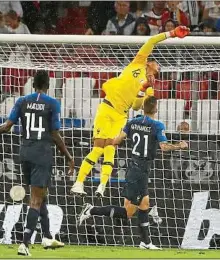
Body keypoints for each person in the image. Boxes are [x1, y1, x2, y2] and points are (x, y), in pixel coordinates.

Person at [70, 26, 190, 197]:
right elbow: (151, 41)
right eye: (157, 65)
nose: (159, 68)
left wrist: (144, 87)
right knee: (98, 147)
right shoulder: (139, 62)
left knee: (111, 147)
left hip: (121, 115)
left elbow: (135, 106)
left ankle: (101, 187)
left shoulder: (150, 90)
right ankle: (79, 183)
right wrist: (171, 34)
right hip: (107, 106)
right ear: (150, 63)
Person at [0, 70, 74, 256]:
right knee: (36, 199)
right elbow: (55, 134)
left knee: (40, 194)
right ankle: (24, 244)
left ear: (33, 85)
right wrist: (69, 157)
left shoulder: (22, 101)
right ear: (48, 85)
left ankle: (47, 236)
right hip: (42, 154)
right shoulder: (53, 103)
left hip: (25, 153)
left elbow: (7, 127)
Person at [77, 96, 188, 249]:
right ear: (156, 108)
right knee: (128, 213)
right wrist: (179, 146)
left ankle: (146, 242)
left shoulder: (133, 122)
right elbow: (164, 147)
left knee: (145, 203)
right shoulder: (157, 125)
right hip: (140, 171)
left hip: (134, 168)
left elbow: (117, 140)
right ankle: (91, 210)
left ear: (143, 108)